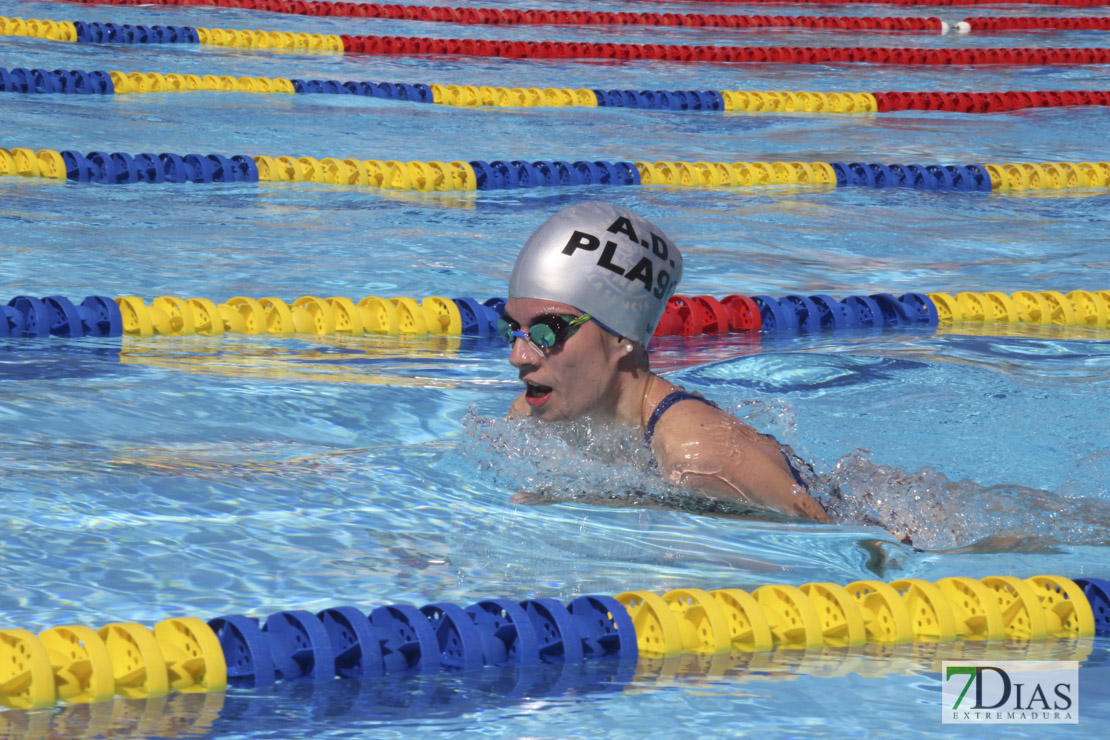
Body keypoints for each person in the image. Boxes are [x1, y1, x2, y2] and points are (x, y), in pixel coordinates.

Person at [501, 201, 829, 523]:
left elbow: (836, 537)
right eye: (513, 329)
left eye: (549, 332)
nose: (519, 356)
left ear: (622, 338)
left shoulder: (696, 455)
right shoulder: (532, 412)